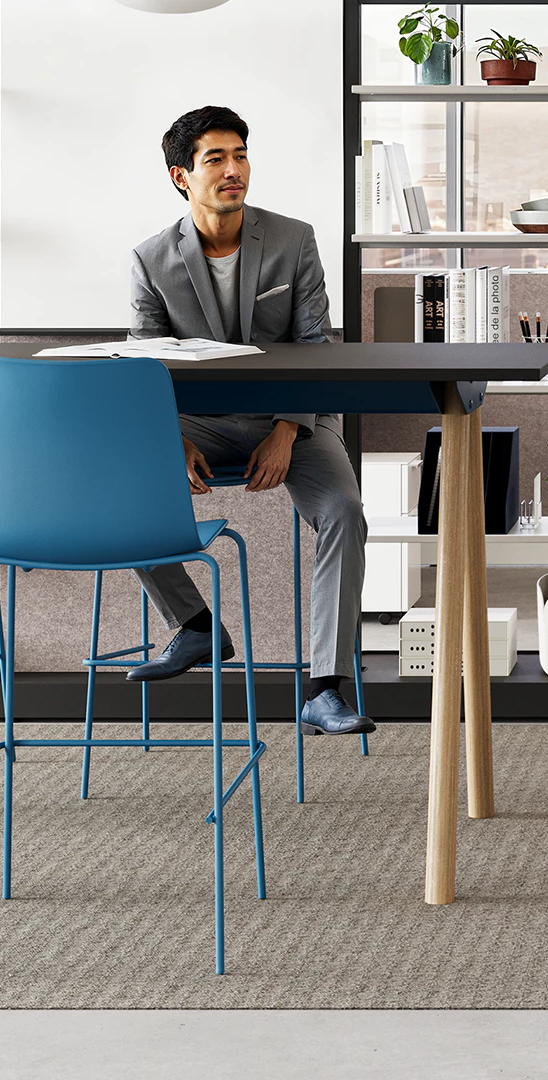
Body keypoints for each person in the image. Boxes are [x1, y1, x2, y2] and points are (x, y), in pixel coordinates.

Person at [121, 104, 373, 736]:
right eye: (215, 159)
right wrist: (170, 437)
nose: (233, 170)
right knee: (120, 490)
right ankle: (198, 626)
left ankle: (325, 688)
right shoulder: (152, 259)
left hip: (291, 417)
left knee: (344, 509)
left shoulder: (292, 239)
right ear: (182, 175)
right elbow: (147, 365)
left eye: (240, 155)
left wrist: (288, 428)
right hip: (198, 422)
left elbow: (316, 345)